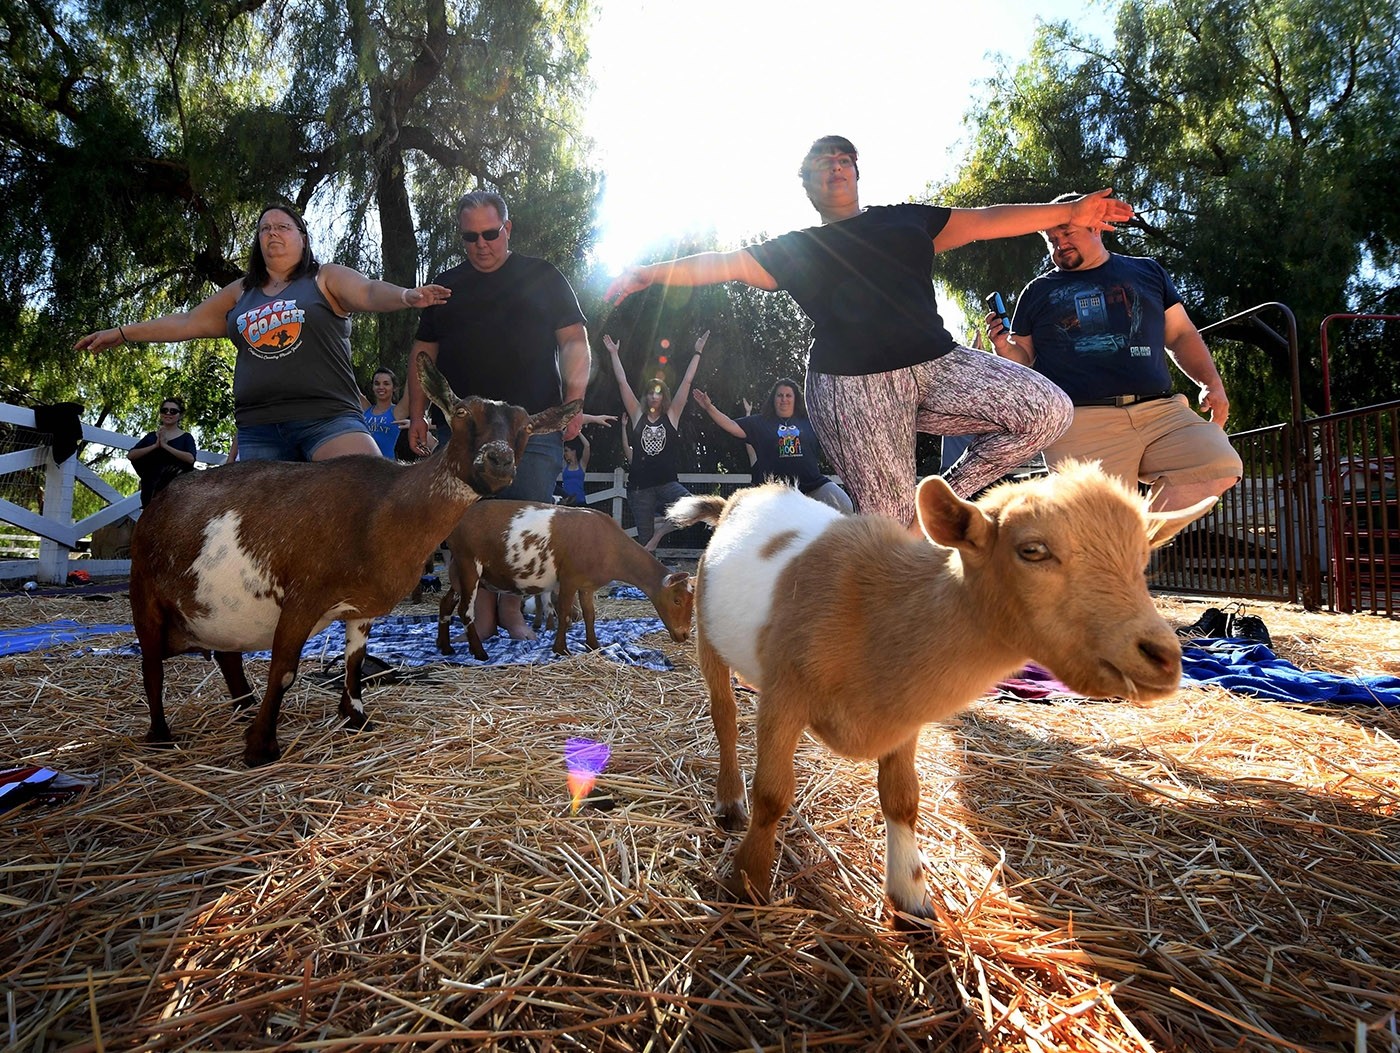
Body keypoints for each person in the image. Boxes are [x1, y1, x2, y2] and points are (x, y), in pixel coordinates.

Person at [605, 134, 1136, 531]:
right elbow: (721, 264)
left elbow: (988, 218)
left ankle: (934, 500)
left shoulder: (906, 221)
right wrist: (650, 274)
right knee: (892, 526)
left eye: (844, 160)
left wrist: (1071, 210)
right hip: (852, 387)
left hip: (937, 364)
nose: (835, 168)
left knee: (1048, 410)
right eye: (822, 164)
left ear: (857, 173)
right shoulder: (795, 249)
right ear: (808, 184)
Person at [75, 203, 450, 462]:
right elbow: (187, 322)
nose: (273, 233)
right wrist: (124, 332)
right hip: (259, 428)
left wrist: (406, 295)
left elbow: (368, 291)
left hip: (328, 419)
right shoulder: (241, 292)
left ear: (302, 237)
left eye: (283, 227)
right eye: (265, 228)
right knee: (269, 535)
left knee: (368, 486)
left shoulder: (324, 277)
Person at [405, 190, 590, 641]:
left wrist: (575, 400)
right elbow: (423, 355)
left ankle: (512, 609)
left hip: (532, 428)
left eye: (490, 233)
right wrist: (417, 415)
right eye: (470, 237)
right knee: (467, 522)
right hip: (468, 430)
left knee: (523, 516)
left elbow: (573, 339)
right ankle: (475, 610)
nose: (481, 244)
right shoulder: (445, 286)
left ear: (508, 229)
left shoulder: (543, 276)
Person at [987, 192, 1242, 512]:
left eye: (1067, 233)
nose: (1058, 244)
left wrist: (1211, 384)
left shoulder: (1148, 272)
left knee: (1218, 466)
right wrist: (1003, 349)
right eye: (1051, 239)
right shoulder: (1037, 291)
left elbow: (1180, 334)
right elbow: (1023, 359)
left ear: (1095, 227)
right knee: (1095, 524)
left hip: (1161, 412)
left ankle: (1134, 541)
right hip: (1081, 420)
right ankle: (1120, 548)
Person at [605, 330, 706, 552]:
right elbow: (622, 383)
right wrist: (614, 353)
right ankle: (651, 568)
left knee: (693, 507)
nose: (653, 396)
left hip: (667, 483)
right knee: (645, 548)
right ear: (646, 396)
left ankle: (658, 535)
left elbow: (687, 382)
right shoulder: (637, 416)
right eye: (650, 392)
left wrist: (697, 352)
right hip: (640, 488)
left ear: (663, 397)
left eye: (658, 393)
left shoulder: (672, 416)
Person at [693, 378, 853, 512]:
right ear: (773, 399)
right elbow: (731, 425)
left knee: (844, 505)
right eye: (780, 395)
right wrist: (709, 407)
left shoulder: (810, 421)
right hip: (777, 493)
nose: (784, 399)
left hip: (812, 485)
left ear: (795, 398)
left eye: (788, 395)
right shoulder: (760, 422)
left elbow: (836, 430)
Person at [128, 396, 197, 506]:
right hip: (150, 489)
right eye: (164, 410)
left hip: (177, 491)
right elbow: (131, 455)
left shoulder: (186, 437)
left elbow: (190, 458)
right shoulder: (150, 436)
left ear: (180, 415)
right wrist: (155, 446)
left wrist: (166, 446)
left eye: (173, 411)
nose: (168, 413)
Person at [558, 413, 618, 505]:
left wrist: (578, 432)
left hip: (580, 501)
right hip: (567, 502)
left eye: (567, 451)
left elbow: (587, 446)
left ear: (573, 451)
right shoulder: (565, 465)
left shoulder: (582, 465)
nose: (565, 453)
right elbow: (558, 445)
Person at [360, 366, 412, 458]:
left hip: (386, 468)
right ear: (372, 387)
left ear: (394, 388)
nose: (381, 387)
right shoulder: (366, 409)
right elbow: (350, 384)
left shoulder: (397, 412)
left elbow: (411, 389)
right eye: (377, 383)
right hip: (364, 467)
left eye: (386, 384)